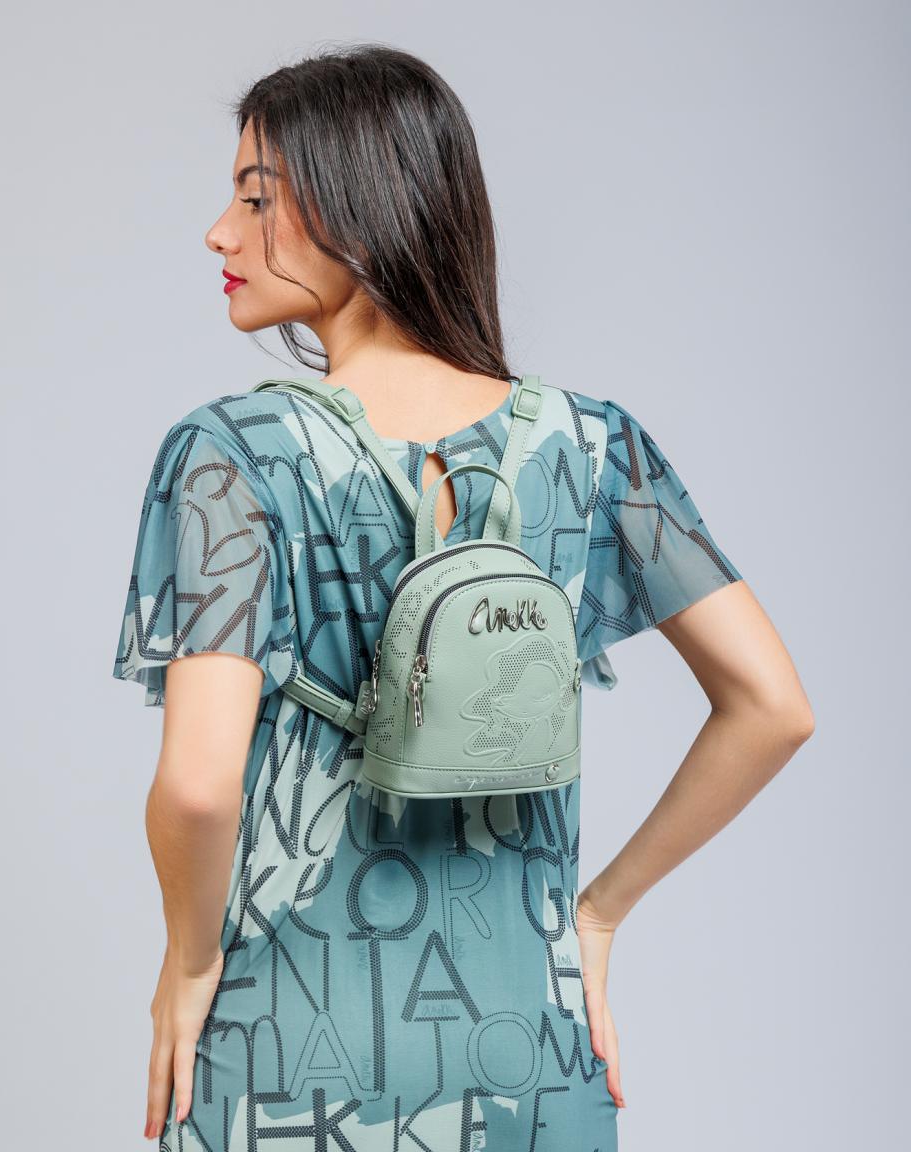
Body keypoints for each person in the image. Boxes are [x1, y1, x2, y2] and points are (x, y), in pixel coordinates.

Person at [112, 44, 814, 1152]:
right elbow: (775, 707)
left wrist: (190, 962)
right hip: (532, 1054)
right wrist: (596, 918)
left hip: (287, 1053)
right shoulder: (596, 444)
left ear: (358, 204)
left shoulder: (230, 455)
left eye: (255, 198)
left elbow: (200, 789)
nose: (220, 233)